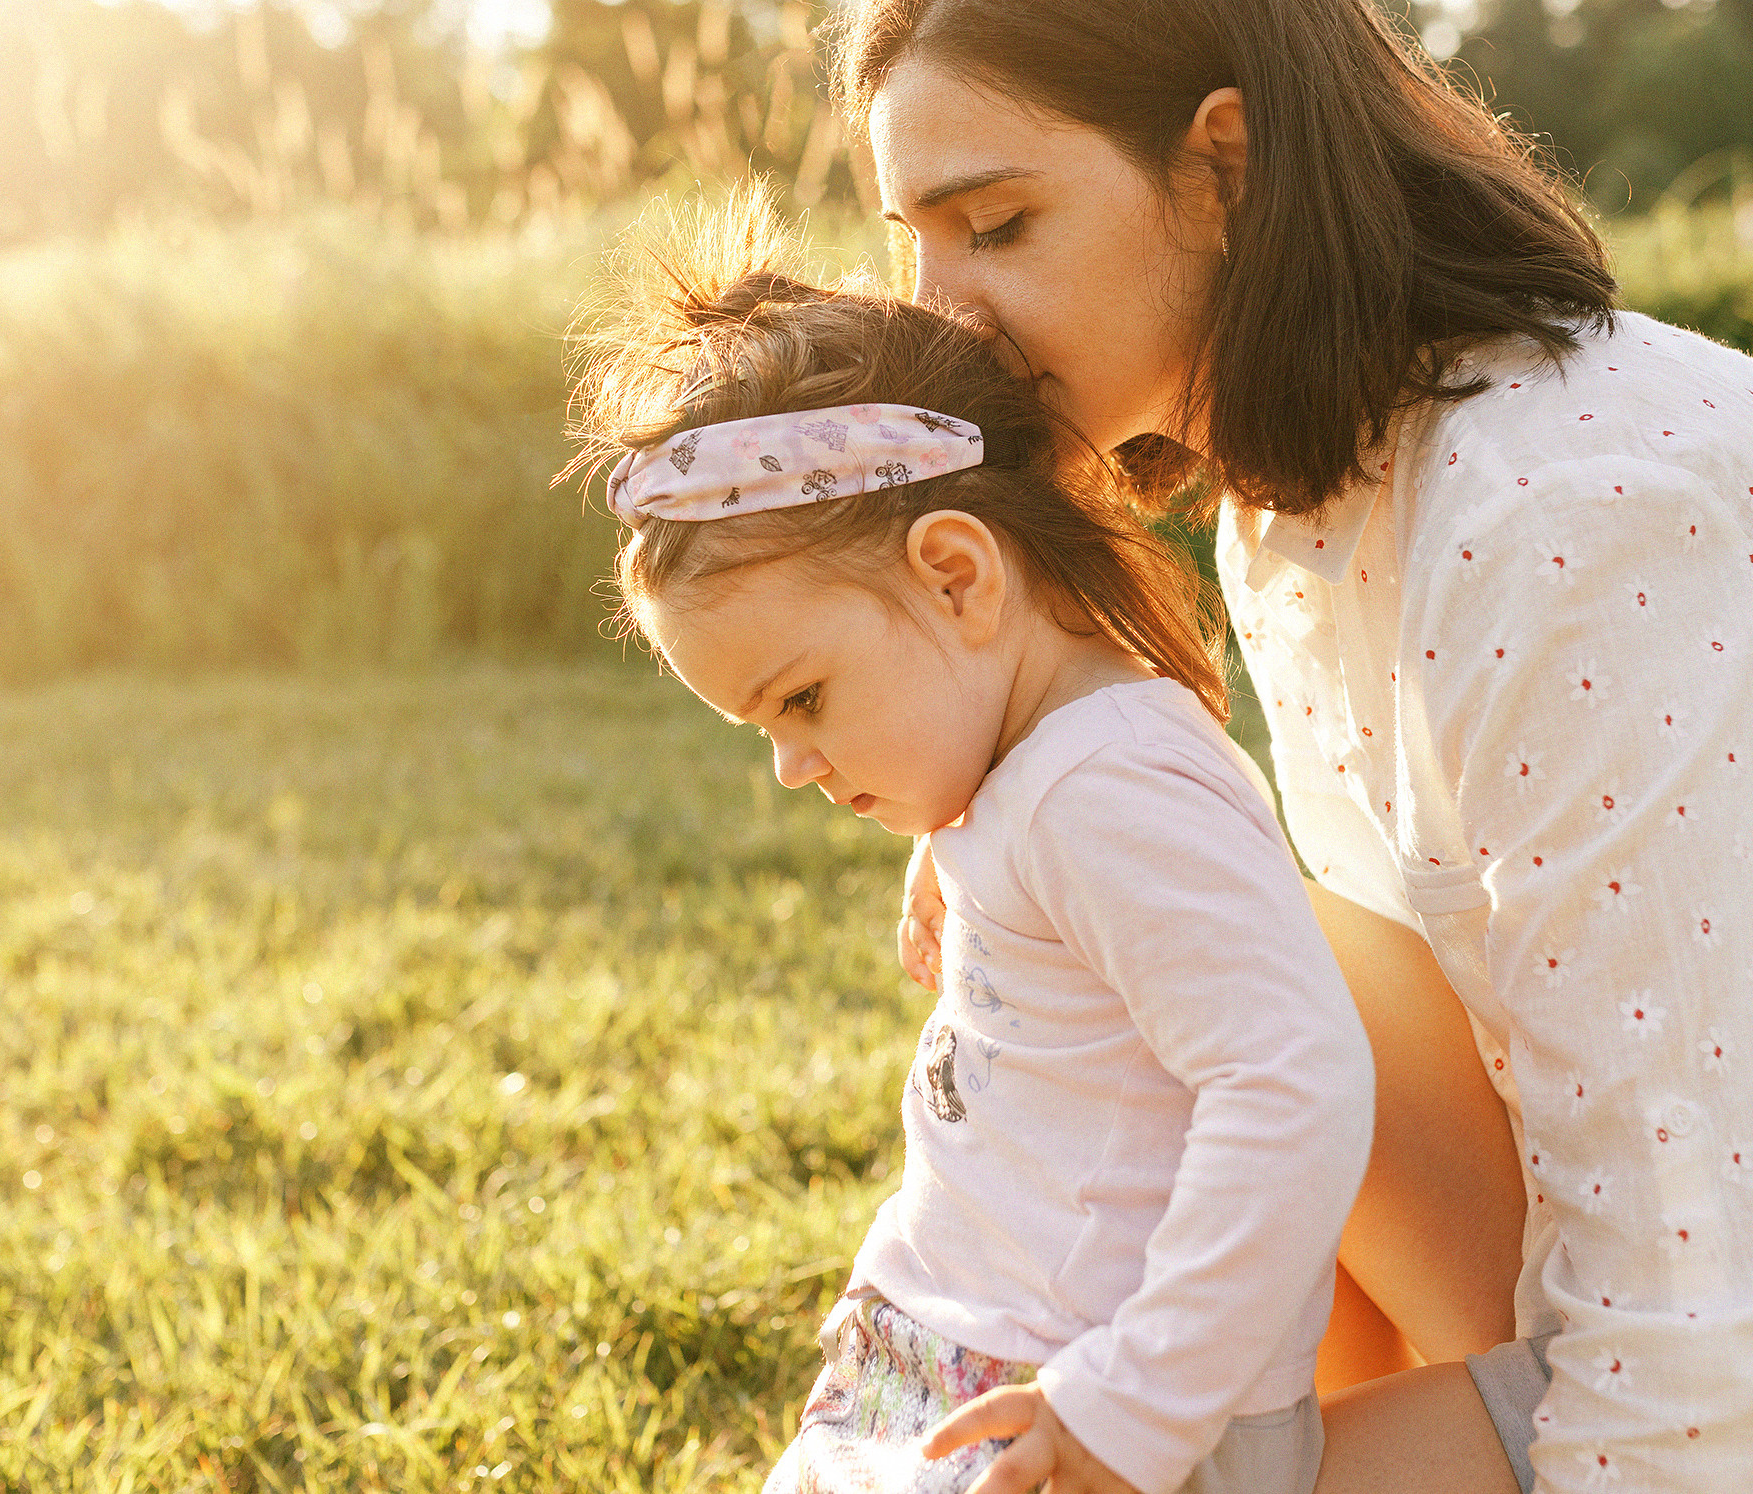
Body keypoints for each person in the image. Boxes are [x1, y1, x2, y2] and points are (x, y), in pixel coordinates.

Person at [825, 1, 1753, 1490]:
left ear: (1223, 171)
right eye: (915, 243)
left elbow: (1700, 1290)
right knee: (1207, 943)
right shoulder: (1294, 508)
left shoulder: (1560, 516)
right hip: (1580, 1289)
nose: (944, 317)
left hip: (1705, 1347)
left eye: (994, 224)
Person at [569, 193, 1378, 1494]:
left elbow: (1296, 1084)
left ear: (958, 577)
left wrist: (1134, 1405)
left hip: (1092, 1409)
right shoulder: (1039, 770)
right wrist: (955, 827)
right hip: (970, 1366)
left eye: (805, 698)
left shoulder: (1108, 789)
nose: (790, 764)